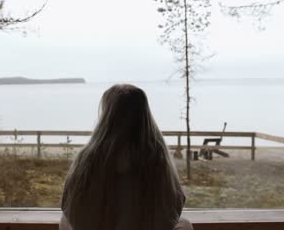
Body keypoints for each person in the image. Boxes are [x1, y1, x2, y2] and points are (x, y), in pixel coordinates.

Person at [60, 84, 192, 230]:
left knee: (64, 221)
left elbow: (68, 204)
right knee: (185, 224)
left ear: (106, 116)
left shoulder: (87, 158)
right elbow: (176, 204)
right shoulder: (158, 159)